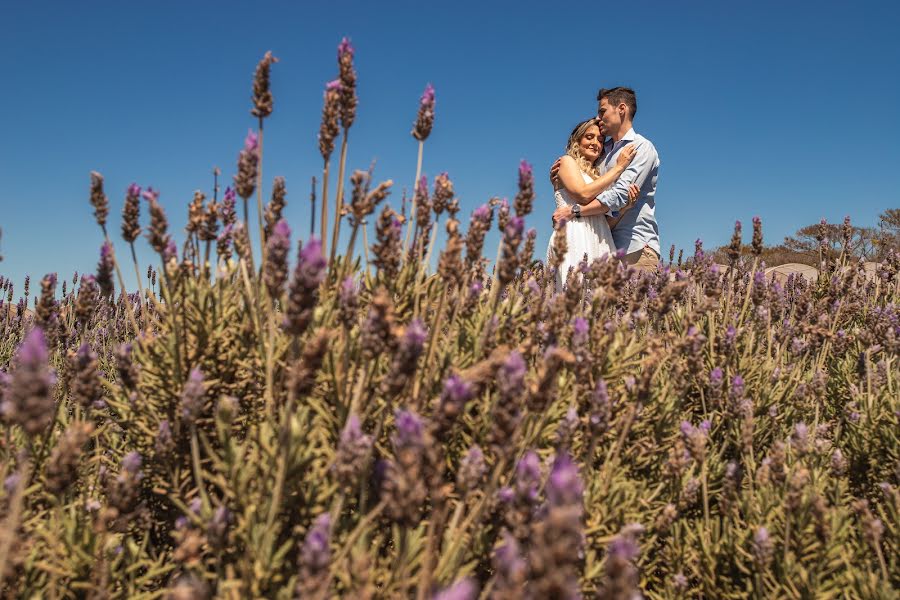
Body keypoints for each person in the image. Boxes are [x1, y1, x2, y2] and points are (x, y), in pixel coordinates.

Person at [552, 87, 660, 271]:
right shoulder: (601, 153)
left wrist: (575, 210)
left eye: (602, 112)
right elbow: (587, 190)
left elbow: (619, 196)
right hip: (598, 248)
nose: (598, 119)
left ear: (622, 109)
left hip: (633, 248)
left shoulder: (641, 148)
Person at [546, 118, 639, 289]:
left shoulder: (598, 176)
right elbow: (583, 194)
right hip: (574, 236)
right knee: (573, 295)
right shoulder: (567, 162)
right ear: (577, 141)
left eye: (600, 140)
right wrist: (619, 168)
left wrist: (625, 208)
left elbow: (604, 221)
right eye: (589, 137)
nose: (595, 143)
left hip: (600, 239)